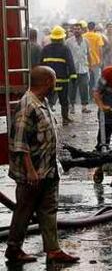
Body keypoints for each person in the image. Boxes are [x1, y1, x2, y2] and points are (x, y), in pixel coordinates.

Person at [5, 66, 79, 264]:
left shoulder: (43, 102)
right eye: (54, 80)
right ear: (47, 81)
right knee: (24, 210)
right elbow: (20, 143)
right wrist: (30, 171)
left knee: (49, 209)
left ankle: (53, 250)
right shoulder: (27, 105)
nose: (56, 84)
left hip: (48, 169)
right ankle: (13, 249)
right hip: (33, 172)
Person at [40, 25, 76, 125]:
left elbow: (41, 64)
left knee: (47, 101)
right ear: (62, 38)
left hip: (49, 80)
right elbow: (70, 63)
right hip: (62, 80)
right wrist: (73, 76)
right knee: (64, 100)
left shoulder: (45, 49)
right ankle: (65, 119)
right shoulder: (65, 49)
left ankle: (47, 120)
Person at [66, 23, 92, 114]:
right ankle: (72, 106)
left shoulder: (86, 41)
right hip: (72, 69)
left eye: (78, 29)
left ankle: (84, 106)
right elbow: (66, 55)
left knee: (84, 87)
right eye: (75, 29)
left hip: (84, 68)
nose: (77, 30)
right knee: (72, 88)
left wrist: (90, 65)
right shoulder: (68, 42)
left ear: (82, 30)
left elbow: (88, 54)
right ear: (72, 31)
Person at [83, 21, 105, 100]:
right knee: (97, 79)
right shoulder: (98, 36)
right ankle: (95, 96)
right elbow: (100, 49)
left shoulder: (83, 36)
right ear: (94, 27)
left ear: (87, 27)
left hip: (86, 61)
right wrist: (101, 60)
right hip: (96, 61)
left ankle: (87, 97)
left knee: (86, 80)